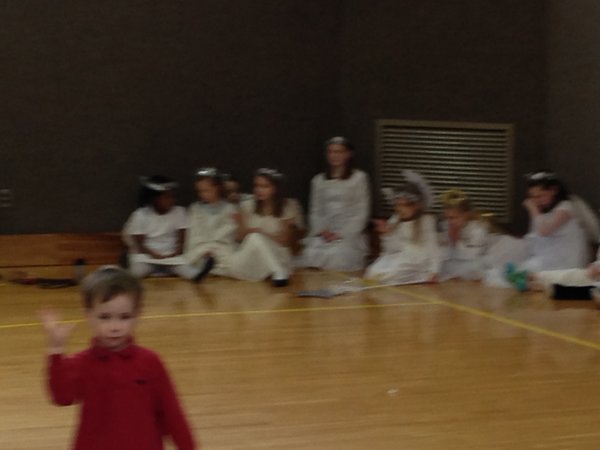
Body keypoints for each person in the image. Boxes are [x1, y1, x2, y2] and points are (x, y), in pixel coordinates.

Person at [39, 266, 197, 450]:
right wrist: (56, 352)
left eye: (124, 317)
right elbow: (62, 397)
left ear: (137, 315)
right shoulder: (81, 363)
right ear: (88, 315)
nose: (115, 327)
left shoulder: (150, 362)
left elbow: (172, 413)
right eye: (105, 317)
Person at [504, 171, 588, 290]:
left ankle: (534, 282)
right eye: (532, 197)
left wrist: (533, 210)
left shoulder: (566, 207)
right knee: (513, 264)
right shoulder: (544, 209)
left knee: (533, 271)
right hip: (549, 255)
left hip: (565, 258)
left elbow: (544, 231)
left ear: (553, 190)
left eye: (540, 196)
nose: (536, 200)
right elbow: (535, 235)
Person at [297, 136, 370, 272]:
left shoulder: (358, 178)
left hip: (347, 233)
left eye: (338, 152)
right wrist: (322, 230)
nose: (334, 156)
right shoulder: (318, 180)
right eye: (330, 152)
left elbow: (361, 211)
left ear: (348, 154)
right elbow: (316, 210)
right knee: (312, 253)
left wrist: (342, 233)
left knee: (337, 255)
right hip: (325, 232)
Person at [365, 171, 440, 284]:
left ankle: (420, 274)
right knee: (372, 272)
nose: (400, 209)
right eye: (397, 205)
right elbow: (391, 249)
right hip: (398, 256)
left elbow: (433, 248)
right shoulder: (395, 219)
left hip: (416, 259)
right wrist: (387, 234)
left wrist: (434, 270)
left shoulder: (426, 221)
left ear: (416, 206)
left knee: (391, 275)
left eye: (404, 205)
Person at [229, 168, 301, 287]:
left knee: (257, 236)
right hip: (252, 258)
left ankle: (277, 270)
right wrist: (241, 223)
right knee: (254, 237)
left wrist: (262, 233)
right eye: (257, 186)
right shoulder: (247, 205)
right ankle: (277, 272)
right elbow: (240, 237)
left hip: (277, 254)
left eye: (264, 186)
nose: (259, 190)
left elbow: (285, 241)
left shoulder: (288, 206)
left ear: (275, 188)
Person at [122, 176, 201, 280]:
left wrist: (176, 253)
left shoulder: (179, 212)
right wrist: (154, 255)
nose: (172, 200)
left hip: (172, 258)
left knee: (185, 269)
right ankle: (124, 271)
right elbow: (140, 245)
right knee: (138, 271)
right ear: (155, 199)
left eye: (173, 197)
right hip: (147, 257)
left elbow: (182, 239)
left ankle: (197, 275)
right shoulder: (140, 215)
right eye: (167, 197)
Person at [185, 168, 238, 280]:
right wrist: (205, 249)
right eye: (200, 191)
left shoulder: (230, 208)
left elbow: (229, 231)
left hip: (221, 247)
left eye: (206, 191)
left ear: (217, 188)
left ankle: (213, 265)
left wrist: (214, 246)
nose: (202, 194)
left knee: (230, 261)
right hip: (202, 247)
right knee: (195, 258)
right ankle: (206, 264)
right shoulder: (195, 209)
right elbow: (194, 233)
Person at [438, 189, 489, 281]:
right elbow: (445, 251)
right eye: (447, 218)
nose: (449, 222)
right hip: (454, 259)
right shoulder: (447, 225)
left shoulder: (477, 230)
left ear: (466, 215)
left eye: (453, 218)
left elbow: (472, 257)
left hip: (474, 262)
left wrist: (456, 240)